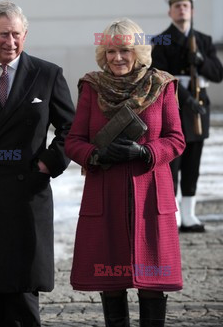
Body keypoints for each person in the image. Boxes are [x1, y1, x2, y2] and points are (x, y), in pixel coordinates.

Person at [0, 1, 75, 326]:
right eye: (3, 34)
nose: (10, 42)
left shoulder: (47, 74)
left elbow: (71, 128)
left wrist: (49, 163)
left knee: (23, 292)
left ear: (25, 35)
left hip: (27, 191)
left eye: (16, 34)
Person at [66, 18, 185, 326]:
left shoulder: (161, 85)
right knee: (112, 283)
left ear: (139, 52)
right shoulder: (92, 86)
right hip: (105, 196)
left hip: (150, 198)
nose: (117, 58)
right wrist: (95, 154)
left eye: (125, 51)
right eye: (110, 52)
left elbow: (176, 139)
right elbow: (74, 140)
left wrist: (147, 152)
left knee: (152, 285)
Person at [151, 0, 223, 232]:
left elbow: (218, 73)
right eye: (177, 6)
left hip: (198, 106)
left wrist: (201, 61)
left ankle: (189, 216)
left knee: (193, 163)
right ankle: (170, 215)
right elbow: (159, 75)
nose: (182, 9)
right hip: (175, 105)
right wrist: (184, 97)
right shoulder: (162, 40)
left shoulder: (203, 40)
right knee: (173, 164)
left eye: (186, 6)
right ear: (170, 11)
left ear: (192, 10)